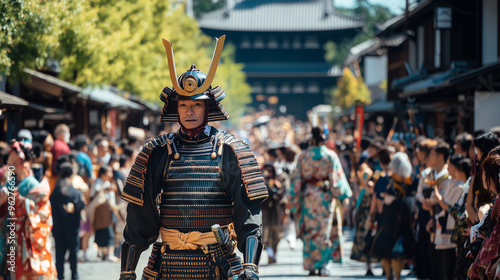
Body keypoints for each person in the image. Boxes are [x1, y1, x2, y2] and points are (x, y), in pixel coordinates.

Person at [119, 35, 268, 280]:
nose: (189, 111)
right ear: (175, 109)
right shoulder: (156, 152)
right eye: (183, 105)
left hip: (218, 264)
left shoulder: (231, 151)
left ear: (207, 108)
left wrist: (251, 266)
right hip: (168, 265)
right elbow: (139, 214)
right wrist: (127, 271)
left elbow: (248, 213)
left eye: (196, 105)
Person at [290, 126, 352, 276]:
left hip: (309, 197)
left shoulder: (303, 156)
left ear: (311, 139)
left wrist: (293, 200)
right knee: (325, 231)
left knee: (310, 231)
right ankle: (324, 265)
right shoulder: (330, 156)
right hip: (325, 197)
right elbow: (336, 180)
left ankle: (311, 264)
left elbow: (296, 180)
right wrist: (342, 196)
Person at [0, 140, 56, 279]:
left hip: (26, 240)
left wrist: (19, 201)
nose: (9, 158)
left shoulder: (32, 184)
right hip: (13, 239)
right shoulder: (12, 181)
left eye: (12, 155)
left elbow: (41, 212)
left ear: (21, 159)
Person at [369, 152, 415, 280]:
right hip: (402, 218)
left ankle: (389, 275)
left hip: (387, 217)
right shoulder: (410, 181)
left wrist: (372, 216)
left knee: (387, 249)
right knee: (397, 251)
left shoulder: (384, 180)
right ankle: (396, 276)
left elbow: (376, 199)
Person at [51, 161, 86, 280]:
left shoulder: (54, 191)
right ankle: (74, 276)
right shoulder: (75, 192)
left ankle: (59, 276)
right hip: (72, 228)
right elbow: (81, 205)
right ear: (71, 174)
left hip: (58, 228)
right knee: (73, 254)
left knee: (59, 254)